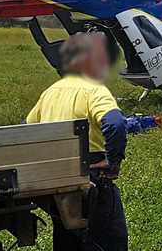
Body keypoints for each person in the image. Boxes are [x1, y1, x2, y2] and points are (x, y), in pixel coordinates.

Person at [27, 32, 128, 251]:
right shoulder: (94, 90)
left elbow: (29, 127)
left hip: (56, 181)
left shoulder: (50, 92)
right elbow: (115, 123)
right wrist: (114, 161)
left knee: (66, 239)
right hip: (90, 177)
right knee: (107, 240)